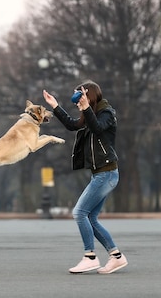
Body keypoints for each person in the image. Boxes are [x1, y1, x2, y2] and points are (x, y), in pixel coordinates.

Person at [43, 81, 128, 274]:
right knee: (90, 217)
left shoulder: (106, 112)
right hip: (100, 174)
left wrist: (87, 108)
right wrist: (55, 106)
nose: (77, 101)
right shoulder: (90, 114)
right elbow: (73, 126)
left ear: (89, 95)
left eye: (80, 96)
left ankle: (90, 256)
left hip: (107, 173)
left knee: (79, 212)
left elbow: (98, 128)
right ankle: (116, 257)